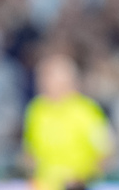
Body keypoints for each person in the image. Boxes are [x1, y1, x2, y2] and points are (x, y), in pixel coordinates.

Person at [23, 54, 114, 190]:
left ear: (68, 80)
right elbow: (29, 153)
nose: (43, 81)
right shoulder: (36, 110)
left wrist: (84, 180)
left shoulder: (87, 111)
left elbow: (106, 153)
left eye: (49, 76)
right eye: (42, 76)